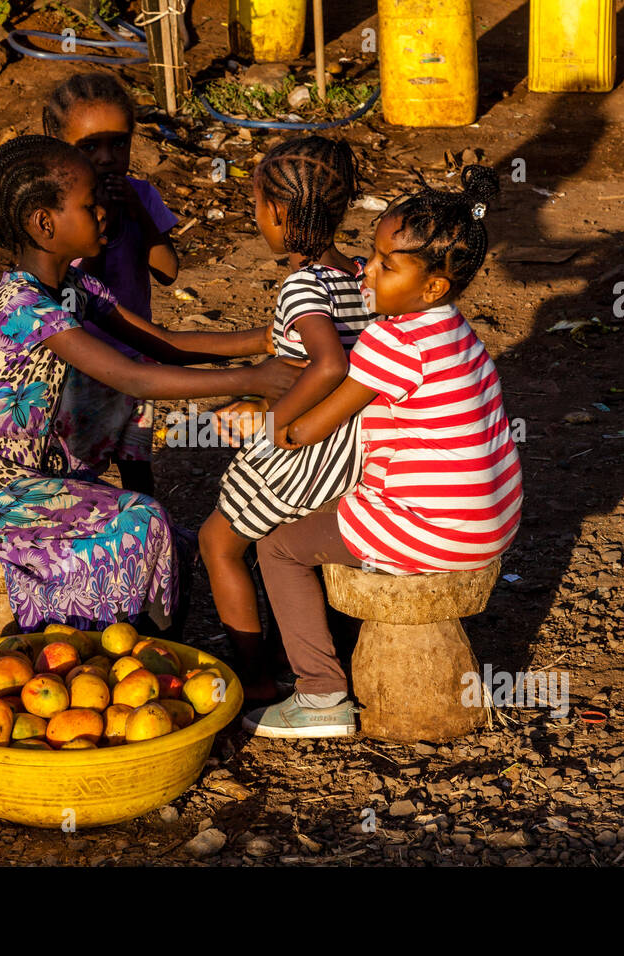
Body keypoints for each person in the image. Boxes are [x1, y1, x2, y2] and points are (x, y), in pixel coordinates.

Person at [0, 134, 302, 633]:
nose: (104, 212)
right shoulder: (25, 308)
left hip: (25, 473)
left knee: (174, 537)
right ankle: (115, 653)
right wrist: (255, 379)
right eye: (88, 204)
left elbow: (162, 342)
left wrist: (272, 337)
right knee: (142, 522)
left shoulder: (74, 288)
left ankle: (140, 657)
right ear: (44, 223)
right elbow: (132, 376)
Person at [242, 166, 525, 737]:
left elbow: (306, 430)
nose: (365, 270)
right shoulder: (457, 332)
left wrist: (265, 421)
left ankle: (319, 697)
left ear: (433, 287)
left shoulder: (392, 340)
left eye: (385, 264)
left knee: (278, 546)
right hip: (495, 520)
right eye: (371, 254)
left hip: (434, 529)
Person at [196, 135, 376, 703]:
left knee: (218, 542)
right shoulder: (358, 272)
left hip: (309, 445)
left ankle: (254, 678)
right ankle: (292, 651)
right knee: (290, 543)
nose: (256, 218)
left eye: (255, 206)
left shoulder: (302, 284)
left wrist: (277, 427)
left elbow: (328, 363)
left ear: (276, 213)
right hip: (357, 446)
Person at [42, 72, 179, 496]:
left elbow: (168, 271)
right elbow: (79, 284)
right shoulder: (57, 208)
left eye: (118, 143)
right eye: (89, 147)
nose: (106, 157)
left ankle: (152, 530)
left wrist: (137, 213)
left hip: (137, 351)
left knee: (136, 460)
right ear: (58, 145)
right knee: (73, 464)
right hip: (78, 362)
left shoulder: (141, 195)